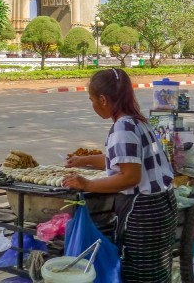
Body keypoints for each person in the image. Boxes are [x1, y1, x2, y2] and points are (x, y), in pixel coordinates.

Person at [62, 68, 177, 283]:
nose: (93, 105)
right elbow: (125, 158)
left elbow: (129, 177)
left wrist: (87, 184)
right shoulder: (138, 121)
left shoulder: (123, 128)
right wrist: (84, 160)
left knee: (140, 274)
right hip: (162, 206)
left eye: (92, 100)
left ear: (103, 99)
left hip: (144, 213)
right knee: (156, 273)